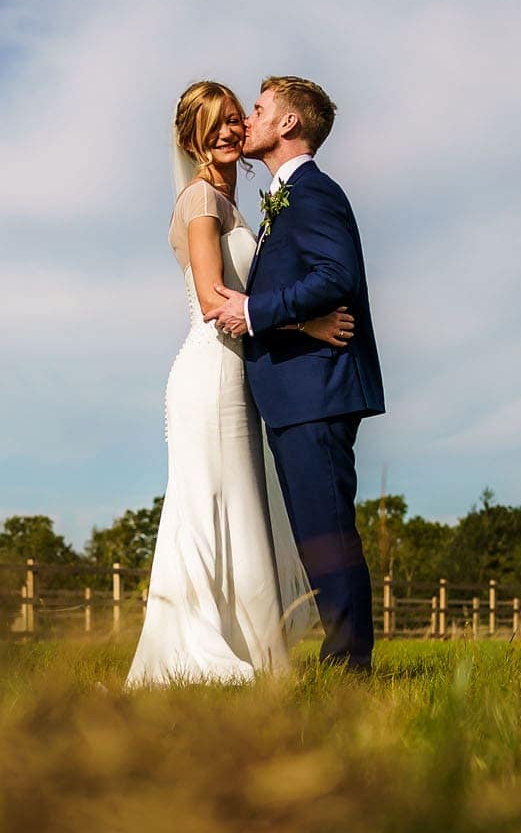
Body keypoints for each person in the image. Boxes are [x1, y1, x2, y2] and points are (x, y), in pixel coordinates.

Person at [124, 80, 355, 687]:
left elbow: (250, 296)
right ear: (190, 136)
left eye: (237, 117)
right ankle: (194, 649)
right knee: (204, 504)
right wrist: (312, 321)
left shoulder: (237, 204)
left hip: (242, 371)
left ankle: (253, 647)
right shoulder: (201, 200)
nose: (231, 129)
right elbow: (210, 300)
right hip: (209, 371)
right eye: (217, 122)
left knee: (243, 506)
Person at [205, 76, 384, 672]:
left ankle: (349, 665)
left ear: (288, 124)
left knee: (327, 531)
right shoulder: (287, 196)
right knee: (315, 532)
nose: (246, 121)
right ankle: (343, 658)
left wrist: (253, 311)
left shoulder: (312, 192)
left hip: (317, 388)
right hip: (298, 388)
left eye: (257, 111)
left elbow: (337, 276)